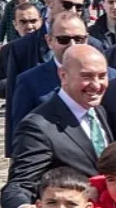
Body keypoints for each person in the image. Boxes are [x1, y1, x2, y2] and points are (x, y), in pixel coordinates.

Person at [0, 44, 114, 208]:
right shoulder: (38, 126)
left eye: (102, 76)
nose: (96, 85)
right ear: (63, 76)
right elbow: (19, 184)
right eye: (86, 76)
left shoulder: (100, 111)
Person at [5, 0, 106, 156]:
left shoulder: (95, 46)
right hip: (47, 149)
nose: (74, 11)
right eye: (67, 4)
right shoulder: (21, 47)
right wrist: (16, 156)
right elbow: (17, 113)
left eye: (79, 7)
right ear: (49, 1)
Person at [11, 12, 105, 142]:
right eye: (64, 40)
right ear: (49, 41)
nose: (72, 45)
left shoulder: (110, 76)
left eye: (79, 39)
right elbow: (21, 136)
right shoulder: (29, 82)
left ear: (87, 39)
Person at [0, 2, 41, 99]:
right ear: (15, 24)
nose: (29, 27)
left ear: (41, 21)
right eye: (23, 22)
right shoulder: (7, 51)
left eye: (33, 21)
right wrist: (19, 82)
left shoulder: (54, 47)